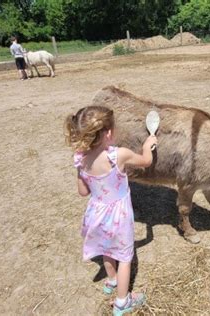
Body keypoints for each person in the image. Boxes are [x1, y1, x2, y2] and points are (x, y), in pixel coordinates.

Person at [64, 106, 157, 315]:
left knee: (107, 248)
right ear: (108, 133)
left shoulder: (80, 158)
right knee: (125, 257)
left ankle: (112, 280)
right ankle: (122, 302)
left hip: (96, 214)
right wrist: (148, 145)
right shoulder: (118, 156)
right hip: (119, 216)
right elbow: (146, 162)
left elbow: (82, 191)